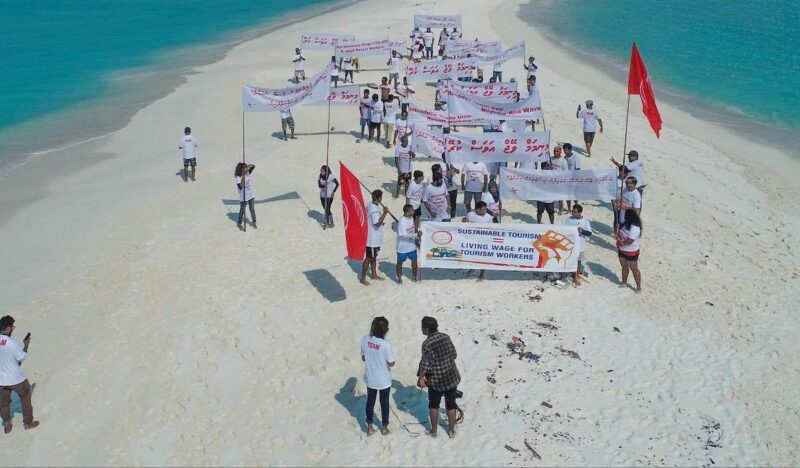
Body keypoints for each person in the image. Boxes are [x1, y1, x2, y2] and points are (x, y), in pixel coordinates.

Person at [416, 316, 460, 439]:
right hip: (451, 377)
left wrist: (421, 377)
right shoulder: (446, 337)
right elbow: (454, 354)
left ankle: (434, 431)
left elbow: (425, 364)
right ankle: (451, 431)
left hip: (436, 381)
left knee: (433, 405)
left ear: (426, 329)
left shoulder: (426, 344)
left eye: (422, 327)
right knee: (451, 405)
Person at [0, 316, 39, 433]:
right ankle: (28, 423)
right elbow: (22, 358)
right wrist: (26, 345)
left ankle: (7, 425)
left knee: (4, 404)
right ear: (8, 328)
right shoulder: (11, 343)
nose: (12, 329)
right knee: (25, 398)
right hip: (16, 379)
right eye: (12, 327)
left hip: (1, 380)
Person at [360, 317, 395, 435]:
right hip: (384, 380)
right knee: (384, 403)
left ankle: (370, 427)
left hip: (371, 378)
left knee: (370, 402)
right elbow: (391, 363)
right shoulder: (386, 344)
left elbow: (363, 357)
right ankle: (384, 427)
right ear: (385, 330)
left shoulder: (365, 339)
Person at [361, 190, 389, 286]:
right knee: (368, 258)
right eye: (381, 196)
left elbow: (372, 220)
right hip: (372, 238)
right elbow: (376, 223)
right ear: (379, 198)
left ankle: (374, 274)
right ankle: (363, 278)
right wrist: (385, 213)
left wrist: (381, 222)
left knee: (374, 257)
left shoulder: (370, 205)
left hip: (373, 236)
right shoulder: (375, 210)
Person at [464, 201, 493, 279]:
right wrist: (464, 220)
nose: (485, 211)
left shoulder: (488, 217)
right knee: (471, 256)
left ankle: (481, 274)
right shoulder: (471, 215)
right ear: (477, 209)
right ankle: (472, 269)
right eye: (483, 209)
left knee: (483, 258)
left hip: (484, 241)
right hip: (473, 240)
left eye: (485, 209)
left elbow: (492, 228)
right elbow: (465, 222)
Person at [616, 209, 642, 292]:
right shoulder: (625, 224)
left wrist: (621, 243)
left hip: (631, 252)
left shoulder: (635, 228)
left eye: (626, 216)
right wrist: (618, 238)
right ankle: (624, 282)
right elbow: (619, 233)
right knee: (624, 267)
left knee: (635, 270)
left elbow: (630, 240)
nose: (624, 217)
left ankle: (638, 288)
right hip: (622, 250)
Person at [565, 204, 592, 278]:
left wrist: (582, 231)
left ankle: (577, 274)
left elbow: (589, 233)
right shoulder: (569, 219)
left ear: (580, 213)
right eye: (572, 211)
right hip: (571, 244)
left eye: (575, 212)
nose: (573, 213)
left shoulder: (585, 221)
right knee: (571, 259)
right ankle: (572, 273)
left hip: (580, 245)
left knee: (579, 260)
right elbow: (565, 230)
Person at [396, 204, 420, 283]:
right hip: (402, 247)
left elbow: (412, 230)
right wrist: (416, 235)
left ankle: (414, 277)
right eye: (412, 210)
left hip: (412, 246)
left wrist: (416, 239)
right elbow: (403, 235)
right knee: (400, 263)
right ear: (408, 211)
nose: (414, 211)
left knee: (414, 262)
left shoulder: (411, 218)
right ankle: (399, 278)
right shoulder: (401, 221)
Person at [235, 162, 256, 231]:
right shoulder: (238, 177)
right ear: (241, 169)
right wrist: (243, 179)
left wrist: (248, 166)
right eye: (244, 168)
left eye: (246, 168)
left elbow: (253, 166)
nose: (246, 169)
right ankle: (239, 223)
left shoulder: (247, 173)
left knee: (252, 209)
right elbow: (240, 187)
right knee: (242, 210)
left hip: (250, 195)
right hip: (243, 197)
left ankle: (254, 222)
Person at [549, 146, 570, 214]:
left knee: (562, 196)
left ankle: (563, 209)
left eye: (557, 151)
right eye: (554, 151)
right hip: (552, 180)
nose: (555, 152)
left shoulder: (563, 161)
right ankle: (553, 207)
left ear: (560, 152)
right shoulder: (551, 159)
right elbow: (548, 167)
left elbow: (566, 172)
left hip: (561, 180)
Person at [562, 142, 580, 208]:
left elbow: (578, 168)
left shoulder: (576, 157)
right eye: (564, 150)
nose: (565, 151)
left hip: (574, 178)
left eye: (566, 150)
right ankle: (569, 208)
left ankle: (576, 205)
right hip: (566, 179)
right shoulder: (564, 158)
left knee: (574, 194)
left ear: (570, 150)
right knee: (567, 194)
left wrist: (575, 179)